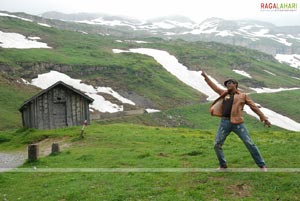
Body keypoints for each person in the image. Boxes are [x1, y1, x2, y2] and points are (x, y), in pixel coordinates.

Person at [201, 71, 271, 171]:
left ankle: (262, 165)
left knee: (249, 143)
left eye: (230, 83)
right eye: (226, 84)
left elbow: (254, 107)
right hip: (224, 123)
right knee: (217, 144)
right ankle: (223, 165)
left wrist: (264, 118)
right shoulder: (224, 93)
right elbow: (214, 86)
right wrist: (206, 77)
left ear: (235, 84)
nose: (228, 85)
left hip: (238, 124)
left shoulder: (243, 96)